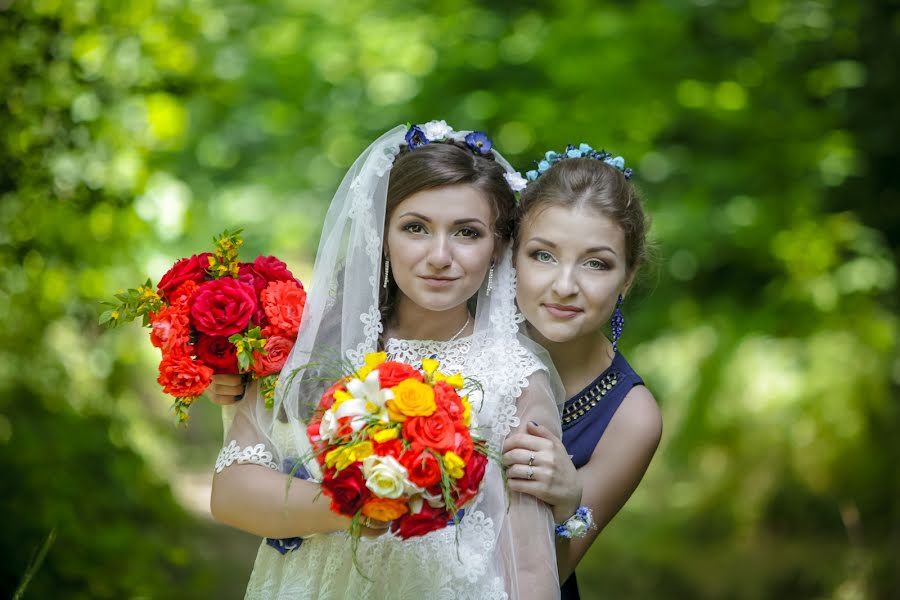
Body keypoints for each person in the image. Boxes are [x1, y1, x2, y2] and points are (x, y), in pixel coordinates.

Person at [209, 122, 563, 599]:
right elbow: (229, 494)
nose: (440, 255)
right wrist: (357, 501)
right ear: (382, 235)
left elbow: (530, 563)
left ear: (497, 247)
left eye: (467, 233)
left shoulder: (516, 377)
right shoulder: (313, 347)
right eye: (415, 228)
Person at [501, 146, 663, 599]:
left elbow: (548, 573)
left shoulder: (632, 417)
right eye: (543, 255)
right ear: (512, 257)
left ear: (627, 277)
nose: (566, 285)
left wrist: (570, 501)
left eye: (596, 263)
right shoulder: (456, 340)